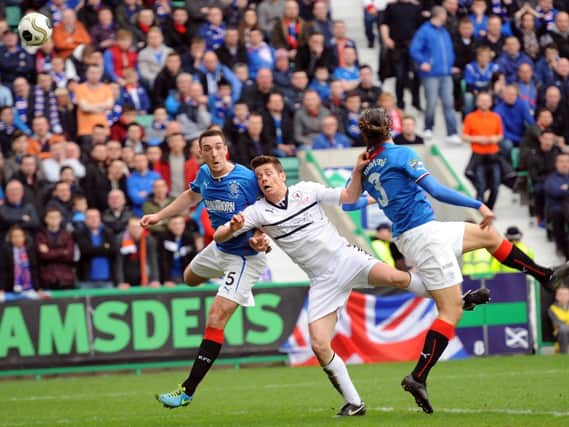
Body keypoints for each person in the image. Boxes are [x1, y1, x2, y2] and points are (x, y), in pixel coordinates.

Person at [213, 155, 487, 416]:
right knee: (319, 344)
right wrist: (232, 226)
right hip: (322, 280)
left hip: (346, 259)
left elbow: (348, 197)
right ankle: (354, 402)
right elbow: (219, 235)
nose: (264, 179)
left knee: (397, 278)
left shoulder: (306, 191)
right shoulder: (257, 212)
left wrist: (356, 171)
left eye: (268, 173)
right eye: (259, 176)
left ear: (282, 175)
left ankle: (458, 300)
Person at [353, 107, 569, 414]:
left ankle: (544, 275)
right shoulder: (399, 154)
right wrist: (477, 202)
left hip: (422, 233)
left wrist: (362, 180)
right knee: (450, 311)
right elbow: (436, 190)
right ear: (389, 126)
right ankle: (418, 376)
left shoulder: (366, 164)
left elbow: (350, 205)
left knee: (490, 237)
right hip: (423, 235)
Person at [141, 129, 270, 409]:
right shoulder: (203, 174)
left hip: (244, 256)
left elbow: (266, 212)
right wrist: (158, 216)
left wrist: (260, 237)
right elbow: (189, 197)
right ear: (200, 152)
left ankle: (187, 390)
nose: (213, 154)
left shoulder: (246, 179)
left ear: (226, 149)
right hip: (219, 248)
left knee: (215, 318)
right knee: (188, 278)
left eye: (217, 147)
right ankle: (225, 283)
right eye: (207, 149)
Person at [410, 6, 460, 144]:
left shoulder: (444, 31)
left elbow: (448, 51)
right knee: (431, 102)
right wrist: (423, 62)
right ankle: (428, 127)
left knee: (448, 103)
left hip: (445, 73)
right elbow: (414, 49)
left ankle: (452, 132)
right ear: (439, 15)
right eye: (444, 13)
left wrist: (449, 66)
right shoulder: (424, 31)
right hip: (431, 74)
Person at [549, 286, 569, 353]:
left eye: (566, 294)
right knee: (563, 329)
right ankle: (564, 354)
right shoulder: (552, 308)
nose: (563, 297)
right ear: (556, 296)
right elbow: (558, 323)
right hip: (560, 332)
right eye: (561, 294)